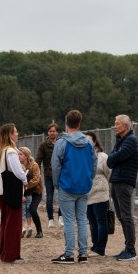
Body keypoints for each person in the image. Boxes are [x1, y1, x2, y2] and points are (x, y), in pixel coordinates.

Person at [50, 110, 97, 265]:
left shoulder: (62, 143)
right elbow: (94, 165)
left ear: (66, 123)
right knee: (82, 219)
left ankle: (69, 254)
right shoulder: (89, 143)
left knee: (69, 220)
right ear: (79, 123)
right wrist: (89, 180)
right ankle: (83, 253)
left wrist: (56, 183)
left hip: (67, 185)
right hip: (83, 186)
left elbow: (55, 166)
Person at [107, 114, 138, 261]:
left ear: (125, 126)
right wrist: (115, 156)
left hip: (124, 182)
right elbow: (110, 161)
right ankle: (127, 248)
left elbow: (114, 158)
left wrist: (115, 157)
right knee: (121, 216)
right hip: (116, 181)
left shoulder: (130, 141)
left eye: (117, 124)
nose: (115, 126)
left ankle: (131, 251)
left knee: (126, 217)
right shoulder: (121, 141)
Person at [0, 123, 27, 263]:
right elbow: (18, 172)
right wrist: (25, 179)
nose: (17, 134)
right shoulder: (11, 152)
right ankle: (12, 254)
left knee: (6, 222)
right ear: (10, 135)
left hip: (3, 191)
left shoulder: (1, 151)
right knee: (14, 224)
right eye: (15, 132)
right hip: (12, 190)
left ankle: (5, 253)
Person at [85, 131, 110, 257]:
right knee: (92, 222)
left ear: (95, 142)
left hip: (100, 193)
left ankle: (100, 249)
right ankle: (94, 246)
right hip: (88, 193)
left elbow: (108, 173)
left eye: (90, 140)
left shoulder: (103, 157)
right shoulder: (83, 157)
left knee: (101, 221)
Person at [36, 123, 62, 227]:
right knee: (49, 196)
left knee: (62, 196)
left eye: (54, 131)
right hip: (48, 174)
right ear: (48, 132)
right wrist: (37, 173)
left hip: (61, 174)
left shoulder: (61, 143)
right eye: (50, 131)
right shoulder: (43, 145)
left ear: (57, 132)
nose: (52, 133)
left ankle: (61, 216)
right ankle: (50, 219)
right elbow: (38, 160)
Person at [19, 147, 44, 239]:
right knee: (22, 211)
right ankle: (22, 228)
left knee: (32, 209)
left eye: (21, 154)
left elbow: (36, 179)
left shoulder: (34, 165)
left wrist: (25, 185)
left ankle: (39, 231)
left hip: (35, 192)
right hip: (24, 193)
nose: (18, 156)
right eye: (18, 154)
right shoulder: (17, 165)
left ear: (26, 155)